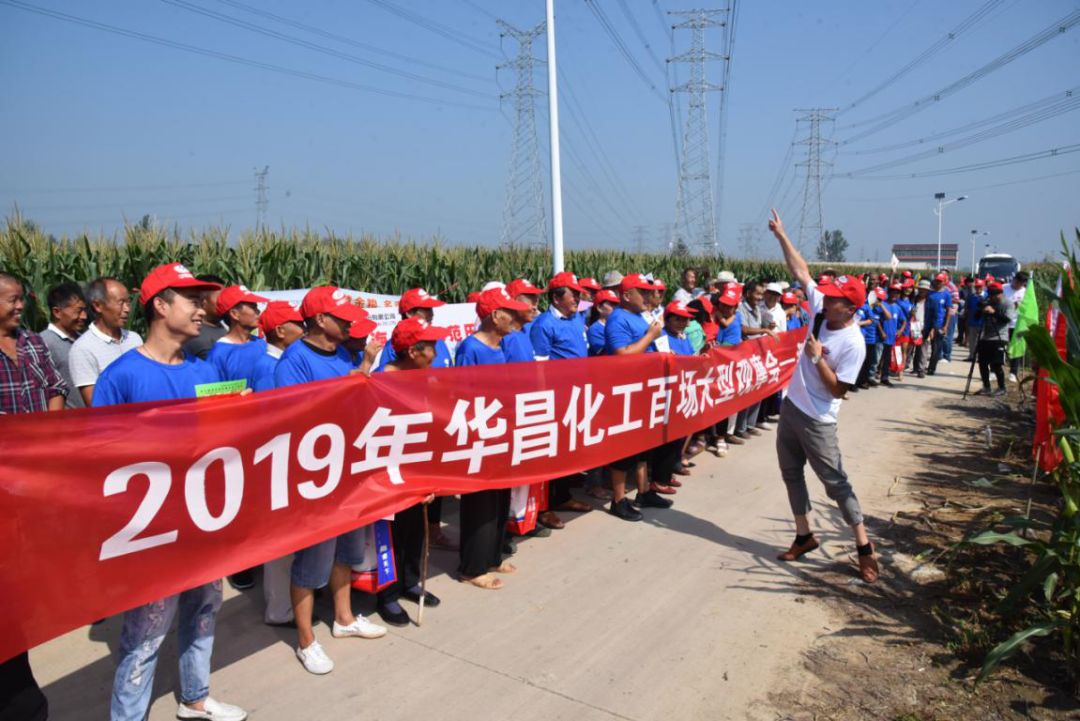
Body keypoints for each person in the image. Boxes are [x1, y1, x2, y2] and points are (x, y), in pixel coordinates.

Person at [91, 263, 247, 721]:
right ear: (159, 306)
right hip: (151, 531)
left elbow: (228, 442)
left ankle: (195, 696)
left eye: (202, 300)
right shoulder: (120, 376)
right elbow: (100, 461)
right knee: (145, 632)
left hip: (204, 520)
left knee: (204, 611)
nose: (202, 310)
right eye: (190, 300)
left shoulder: (208, 370)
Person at [275, 285, 388, 676]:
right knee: (312, 562)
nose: (349, 325)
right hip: (316, 477)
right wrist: (361, 372)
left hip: (350, 469)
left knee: (347, 550)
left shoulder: (344, 353)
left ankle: (344, 617)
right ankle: (306, 640)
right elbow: (296, 415)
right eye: (342, 319)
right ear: (320, 320)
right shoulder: (295, 361)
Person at [767, 210, 879, 583]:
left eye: (833, 300)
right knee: (790, 473)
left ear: (850, 308)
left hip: (819, 420)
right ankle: (804, 535)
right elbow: (801, 271)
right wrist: (782, 235)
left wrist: (816, 359)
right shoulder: (819, 311)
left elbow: (838, 390)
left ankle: (864, 547)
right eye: (826, 296)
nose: (824, 300)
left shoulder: (853, 343)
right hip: (792, 407)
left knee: (836, 484)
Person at [0, 272, 66, 721]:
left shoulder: (31, 343)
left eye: (22, 299)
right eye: (11, 299)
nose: (20, 306)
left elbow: (54, 389)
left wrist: (46, 441)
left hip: (35, 475)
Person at [454, 287, 533, 589]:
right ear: (494, 315)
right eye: (509, 312)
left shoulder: (500, 346)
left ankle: (493, 555)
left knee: (500, 498)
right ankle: (472, 567)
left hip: (501, 429)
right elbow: (461, 393)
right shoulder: (470, 348)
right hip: (480, 433)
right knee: (479, 503)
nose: (514, 317)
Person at [374, 316, 451, 625]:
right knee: (390, 535)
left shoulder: (423, 376)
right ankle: (387, 595)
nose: (436, 352)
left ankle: (408, 581)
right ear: (412, 352)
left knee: (414, 530)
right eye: (430, 346)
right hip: (389, 469)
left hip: (418, 464)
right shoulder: (381, 380)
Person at [529, 272, 595, 523]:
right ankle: (544, 508)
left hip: (577, 395)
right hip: (556, 398)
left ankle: (562, 495)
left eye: (578, 294)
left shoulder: (576, 318)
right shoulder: (544, 325)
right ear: (557, 298)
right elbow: (539, 368)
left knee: (568, 451)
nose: (578, 298)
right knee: (551, 453)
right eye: (573, 294)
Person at [603, 273, 669, 521]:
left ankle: (643, 491)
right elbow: (622, 354)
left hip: (644, 388)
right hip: (625, 391)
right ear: (626, 295)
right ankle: (618, 500)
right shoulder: (618, 319)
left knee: (643, 445)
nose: (647, 296)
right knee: (624, 448)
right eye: (641, 292)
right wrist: (650, 337)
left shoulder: (641, 315)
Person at [68, 276, 142, 406]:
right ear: (98, 306)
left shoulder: (135, 339)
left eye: (128, 302)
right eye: (121, 303)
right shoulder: (83, 349)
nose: (127, 309)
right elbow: (95, 402)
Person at [205, 285, 269, 388]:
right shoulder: (219, 354)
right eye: (253, 307)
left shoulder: (261, 343)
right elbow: (215, 395)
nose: (258, 311)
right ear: (235, 314)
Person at [374, 287, 453, 371]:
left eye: (431, 309)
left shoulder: (440, 342)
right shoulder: (394, 346)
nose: (431, 314)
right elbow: (387, 379)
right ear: (409, 313)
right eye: (426, 309)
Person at [41, 281, 88, 408]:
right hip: (66, 421)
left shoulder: (85, 340)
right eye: (78, 311)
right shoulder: (44, 343)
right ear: (57, 312)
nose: (84, 316)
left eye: (84, 310)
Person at [250, 301, 305, 393]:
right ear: (280, 331)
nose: (305, 330)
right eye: (300, 324)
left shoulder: (286, 360)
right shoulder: (268, 368)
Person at [973, 281, 1013, 396]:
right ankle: (986, 387)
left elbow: (1007, 319)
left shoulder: (1007, 303)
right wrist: (981, 309)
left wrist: (993, 312)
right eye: (990, 294)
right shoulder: (989, 302)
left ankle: (1002, 387)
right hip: (985, 336)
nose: (992, 297)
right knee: (982, 363)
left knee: (996, 364)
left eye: (994, 295)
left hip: (1000, 336)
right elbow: (976, 317)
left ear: (1000, 294)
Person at [181, 274, 227, 359]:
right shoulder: (195, 336)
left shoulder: (226, 326)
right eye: (220, 298)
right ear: (203, 302)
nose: (226, 302)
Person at [501, 278, 542, 362]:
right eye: (530, 300)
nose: (535, 307)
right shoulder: (501, 337)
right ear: (513, 301)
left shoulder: (531, 328)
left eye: (535, 301)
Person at [877, 286, 905, 387]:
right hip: (880, 337)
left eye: (897, 293)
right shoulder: (882, 304)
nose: (895, 295)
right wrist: (881, 332)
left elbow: (904, 320)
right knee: (878, 358)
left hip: (891, 338)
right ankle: (872, 375)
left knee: (887, 358)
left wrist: (900, 330)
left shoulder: (898, 307)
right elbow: (877, 320)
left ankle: (884, 378)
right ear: (889, 292)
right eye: (893, 292)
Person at [1004, 270, 1029, 382]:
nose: (1018, 285)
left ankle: (1013, 372)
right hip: (1003, 323)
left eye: (1021, 284)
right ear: (1014, 279)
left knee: (1016, 348)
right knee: (1000, 347)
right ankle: (994, 370)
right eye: (1017, 282)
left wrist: (1020, 306)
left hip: (1017, 324)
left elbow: (1028, 309)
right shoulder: (1004, 288)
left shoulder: (1026, 292)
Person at [925, 273, 952, 376]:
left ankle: (932, 368)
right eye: (936, 280)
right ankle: (919, 366)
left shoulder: (946, 294)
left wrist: (945, 326)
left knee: (936, 348)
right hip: (927, 323)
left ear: (944, 282)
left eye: (940, 281)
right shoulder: (929, 293)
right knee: (921, 346)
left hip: (939, 325)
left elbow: (949, 310)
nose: (938, 283)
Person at [586, 289, 619, 356]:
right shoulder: (595, 330)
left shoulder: (618, 325)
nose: (615, 307)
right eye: (611, 304)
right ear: (599, 308)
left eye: (616, 304)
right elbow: (604, 354)